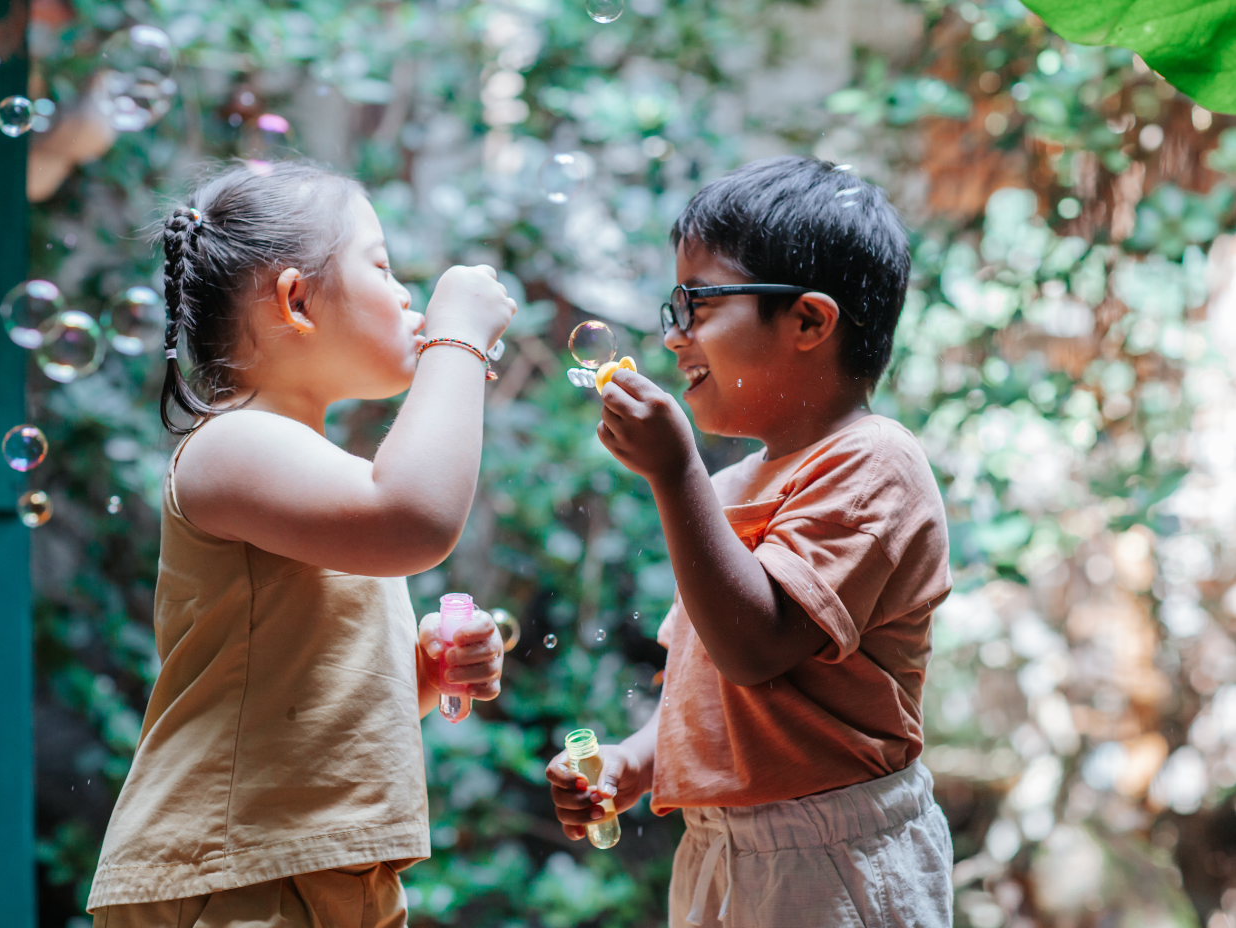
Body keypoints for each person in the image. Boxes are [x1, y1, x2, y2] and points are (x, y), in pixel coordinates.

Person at [87, 160, 516, 928]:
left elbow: (310, 695)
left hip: (310, 865)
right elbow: (416, 519)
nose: (406, 294)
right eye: (382, 268)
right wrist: (458, 338)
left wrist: (422, 672)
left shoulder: (323, 482)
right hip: (237, 872)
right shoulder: (230, 447)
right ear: (296, 299)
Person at [545, 156, 954, 927]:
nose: (674, 338)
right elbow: (716, 689)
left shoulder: (875, 462)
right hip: (723, 852)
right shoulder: (729, 488)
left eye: (696, 304)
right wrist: (634, 763)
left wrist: (675, 475)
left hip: (831, 857)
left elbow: (758, 646)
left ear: (808, 321)